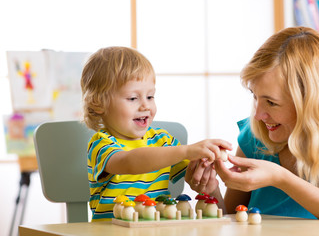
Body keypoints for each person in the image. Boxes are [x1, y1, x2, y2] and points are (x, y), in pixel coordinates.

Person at [186, 27, 319, 222]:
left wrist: (282, 179)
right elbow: (233, 218)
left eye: (271, 102)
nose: (258, 115)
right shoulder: (254, 136)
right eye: (255, 96)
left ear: (311, 102)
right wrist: (212, 192)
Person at [80, 46, 232, 221]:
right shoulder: (102, 143)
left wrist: (210, 180)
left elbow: (198, 175)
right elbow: (130, 162)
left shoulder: (162, 141)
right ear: (98, 103)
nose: (145, 106)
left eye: (150, 97)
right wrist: (186, 150)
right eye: (132, 98)